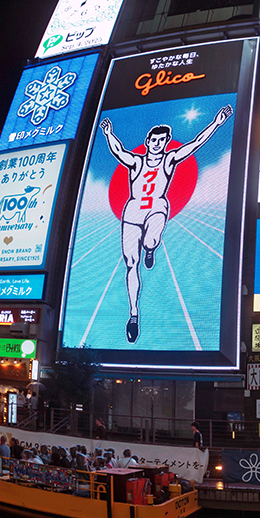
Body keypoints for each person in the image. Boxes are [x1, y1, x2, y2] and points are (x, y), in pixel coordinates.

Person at [99, 105, 234, 343]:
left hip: (157, 208)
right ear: (147, 141)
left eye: (162, 140)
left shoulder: (169, 159)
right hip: (132, 213)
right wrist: (109, 133)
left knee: (151, 240)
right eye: (154, 140)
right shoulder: (136, 162)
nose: (157, 143)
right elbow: (118, 151)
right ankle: (133, 314)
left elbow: (195, 144)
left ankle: (150, 248)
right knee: (131, 263)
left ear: (166, 142)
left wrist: (216, 123)